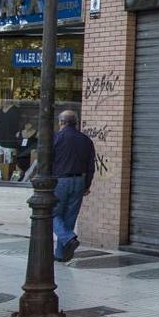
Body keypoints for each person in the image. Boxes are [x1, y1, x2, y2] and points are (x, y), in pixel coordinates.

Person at [53, 110, 96, 262]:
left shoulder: (56, 138)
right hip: (79, 180)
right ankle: (61, 254)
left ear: (61, 123)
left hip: (60, 181)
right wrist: (86, 185)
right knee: (70, 217)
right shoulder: (86, 140)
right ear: (76, 123)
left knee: (51, 213)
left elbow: (47, 161)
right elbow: (91, 165)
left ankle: (68, 238)